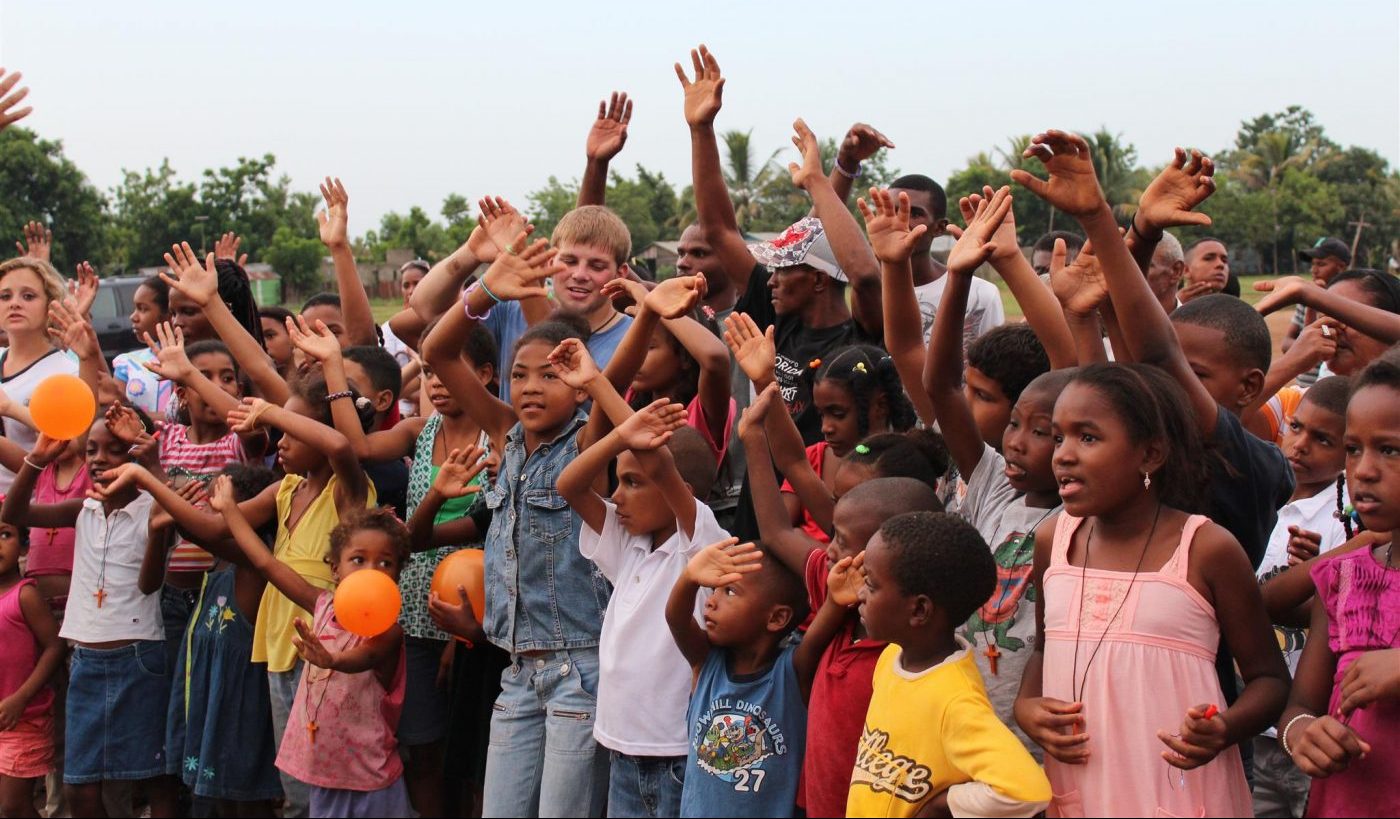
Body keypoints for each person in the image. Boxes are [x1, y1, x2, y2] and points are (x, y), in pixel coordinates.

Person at [1012, 363, 1288, 816]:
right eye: (1058, 437)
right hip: (1081, 789)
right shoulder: (1052, 542)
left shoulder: (1205, 548)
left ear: (1151, 455)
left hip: (1177, 791)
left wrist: (1224, 728)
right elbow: (1043, 650)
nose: (1062, 454)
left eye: (1088, 438)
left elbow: (1270, 680)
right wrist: (1027, 706)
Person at [104, 378, 376, 819]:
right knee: (295, 781)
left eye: (292, 430)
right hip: (279, 646)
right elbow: (212, 529)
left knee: (326, 777)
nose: (280, 442)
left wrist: (267, 413)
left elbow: (342, 447)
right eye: (280, 430)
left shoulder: (346, 490)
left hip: (327, 650)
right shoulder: (285, 489)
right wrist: (149, 481)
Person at [421, 236, 611, 817]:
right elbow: (437, 348)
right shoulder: (504, 433)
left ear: (580, 381)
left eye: (550, 375)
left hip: (580, 671)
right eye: (520, 375)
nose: (530, 387)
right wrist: (484, 290)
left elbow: (606, 385)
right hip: (515, 669)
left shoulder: (589, 440)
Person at [743, 382, 942, 819]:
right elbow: (777, 531)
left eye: (843, 539)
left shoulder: (914, 643)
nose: (829, 549)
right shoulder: (839, 589)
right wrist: (753, 438)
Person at [555, 342, 727, 818]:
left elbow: (656, 460)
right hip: (622, 751)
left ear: (680, 493)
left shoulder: (701, 541)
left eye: (631, 483)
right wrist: (616, 430)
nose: (616, 496)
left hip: (677, 753)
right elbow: (568, 484)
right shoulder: (627, 546)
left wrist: (599, 390)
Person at [2, 424, 180, 817]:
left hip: (139, 657)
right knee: (79, 787)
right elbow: (13, 513)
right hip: (85, 660)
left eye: (114, 450)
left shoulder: (151, 510)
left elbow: (150, 585)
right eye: (92, 450)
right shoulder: (82, 509)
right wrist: (36, 460)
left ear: (136, 458)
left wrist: (155, 531)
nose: (99, 459)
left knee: (154, 778)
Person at [849, 511, 1052, 818]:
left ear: (919, 610)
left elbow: (1028, 791)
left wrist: (942, 807)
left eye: (871, 585)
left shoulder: (956, 701)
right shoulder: (891, 657)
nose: (860, 594)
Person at [226, 501, 411, 818]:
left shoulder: (388, 632)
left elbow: (365, 656)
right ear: (335, 569)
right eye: (358, 559)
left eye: (385, 563)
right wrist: (229, 510)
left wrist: (332, 659)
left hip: (371, 779)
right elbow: (268, 565)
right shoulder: (322, 606)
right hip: (327, 776)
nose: (371, 571)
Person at [1276, 355, 1400, 818]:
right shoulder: (1344, 578)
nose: (1363, 470)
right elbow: (1299, 707)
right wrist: (1305, 734)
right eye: (1353, 449)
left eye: (1391, 450)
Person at [666, 534, 846, 818]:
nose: (711, 602)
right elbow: (676, 619)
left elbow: (819, 635)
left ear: (776, 618)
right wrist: (689, 578)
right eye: (714, 589)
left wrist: (836, 599)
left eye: (730, 592)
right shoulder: (705, 662)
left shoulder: (791, 674)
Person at [1252, 376, 1353, 818]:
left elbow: (1334, 613)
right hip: (1259, 721)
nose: (1301, 445)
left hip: (1313, 727)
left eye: (1323, 439)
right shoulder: (1266, 496)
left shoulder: (1346, 519)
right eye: (1296, 428)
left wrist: (1307, 576)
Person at [157, 466, 284, 815]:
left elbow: (203, 532)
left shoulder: (252, 569)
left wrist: (150, 479)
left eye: (218, 502)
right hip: (211, 712)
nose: (207, 509)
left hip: (239, 717)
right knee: (215, 803)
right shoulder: (217, 570)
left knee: (242, 804)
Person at [886, 174, 1005, 347]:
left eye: (914, 213)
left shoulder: (980, 294)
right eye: (892, 210)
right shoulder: (871, 288)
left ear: (940, 227)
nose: (900, 221)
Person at [0, 518, 64, 819]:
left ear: (24, 545)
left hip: (24, 718)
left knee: (13, 806)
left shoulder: (25, 595)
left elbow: (54, 647)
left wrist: (21, 697)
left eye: (5, 534)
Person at [0, 256, 79, 495]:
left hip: (28, 513)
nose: (14, 304)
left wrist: (10, 408)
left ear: (51, 305)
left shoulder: (65, 372)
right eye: (5, 296)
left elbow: (68, 449)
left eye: (28, 296)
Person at [1284, 237, 1353, 387]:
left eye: (1321, 264)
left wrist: (1308, 346)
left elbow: (1327, 342)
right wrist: (1311, 305)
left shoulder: (1350, 305)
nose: (1314, 270)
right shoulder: (1305, 300)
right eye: (1313, 264)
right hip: (1304, 387)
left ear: (1341, 267)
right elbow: (1287, 344)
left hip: (1330, 388)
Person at [110, 275, 174, 415]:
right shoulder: (128, 362)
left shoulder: (194, 360)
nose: (133, 317)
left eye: (143, 309)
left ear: (168, 314)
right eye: (135, 308)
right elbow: (116, 413)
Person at [1181, 237, 1235, 302]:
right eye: (1208, 258)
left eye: (1224, 260)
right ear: (1186, 270)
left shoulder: (1238, 310)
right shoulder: (1169, 309)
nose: (1220, 264)